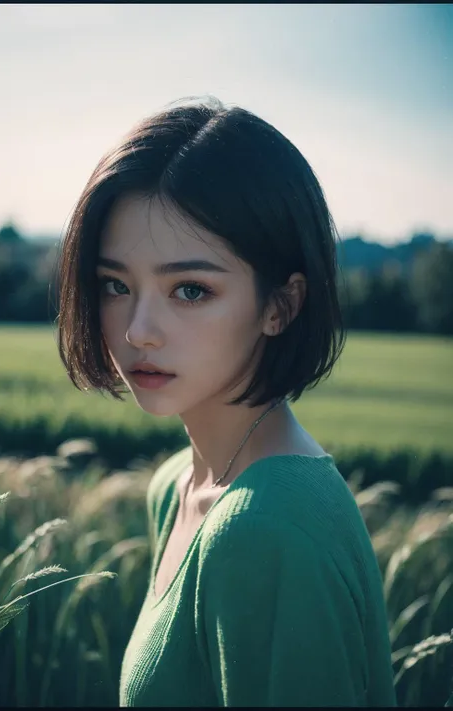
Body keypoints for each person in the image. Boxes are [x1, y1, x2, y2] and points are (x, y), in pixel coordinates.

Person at [56, 95, 397, 707]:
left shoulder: (268, 530)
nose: (138, 330)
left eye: (190, 289)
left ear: (281, 305)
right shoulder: (178, 487)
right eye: (116, 285)